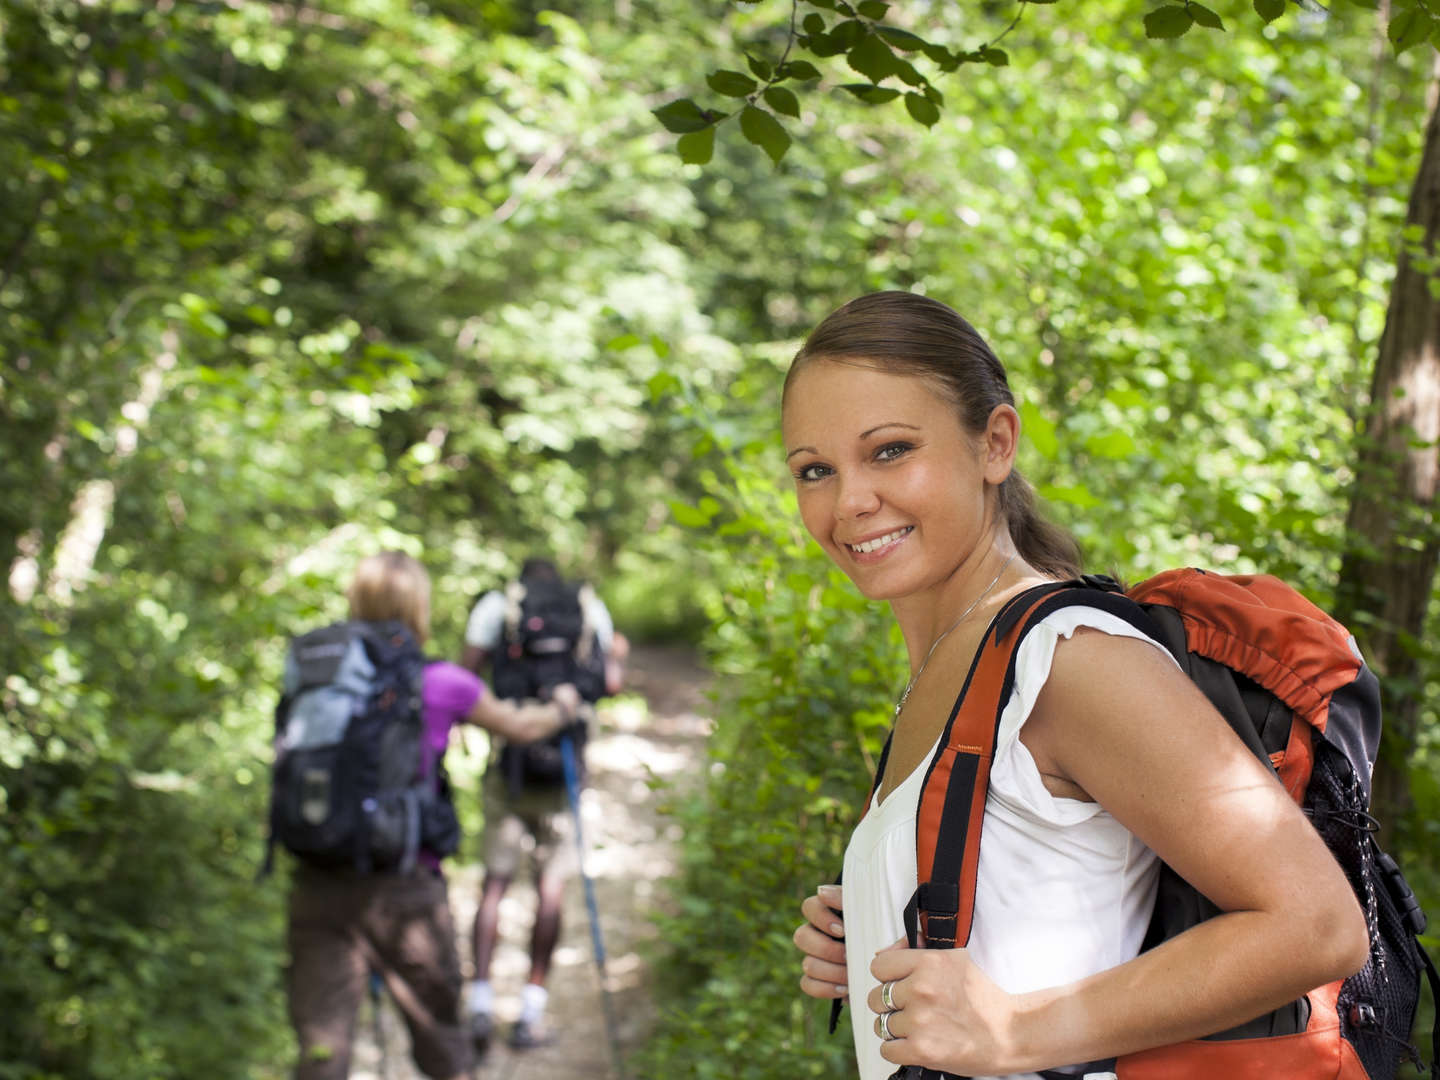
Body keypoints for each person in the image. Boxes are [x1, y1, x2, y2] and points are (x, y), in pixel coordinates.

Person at [785, 292, 1369, 1080]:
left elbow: (1318, 924)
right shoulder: (957, 669)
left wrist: (1016, 1031)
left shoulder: (1068, 658)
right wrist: (870, 928)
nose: (849, 500)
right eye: (814, 470)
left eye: (889, 450)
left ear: (995, 443)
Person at [284, 551, 581, 1080]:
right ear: (419, 605)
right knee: (444, 1043)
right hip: (405, 888)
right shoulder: (441, 683)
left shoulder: (313, 672)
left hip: (317, 881)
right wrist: (563, 705)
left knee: (322, 1051)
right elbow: (522, 727)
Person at [460, 557, 628, 1054]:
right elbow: (610, 684)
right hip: (567, 765)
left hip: (508, 766)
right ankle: (530, 1012)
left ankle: (480, 1003)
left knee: (494, 885)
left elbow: (466, 681)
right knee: (550, 891)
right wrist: (615, 655)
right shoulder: (587, 605)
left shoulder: (497, 605)